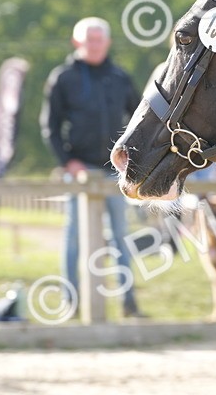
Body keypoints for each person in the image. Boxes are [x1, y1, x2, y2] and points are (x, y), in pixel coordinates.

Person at [40, 16, 145, 318]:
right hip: (80, 170)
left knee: (121, 234)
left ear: (107, 42)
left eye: (99, 39)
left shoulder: (120, 77)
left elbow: (139, 118)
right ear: (77, 42)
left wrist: (132, 157)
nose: (94, 44)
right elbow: (49, 125)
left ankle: (129, 303)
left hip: (116, 171)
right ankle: (69, 302)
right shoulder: (63, 78)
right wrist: (67, 162)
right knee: (73, 235)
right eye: (89, 39)